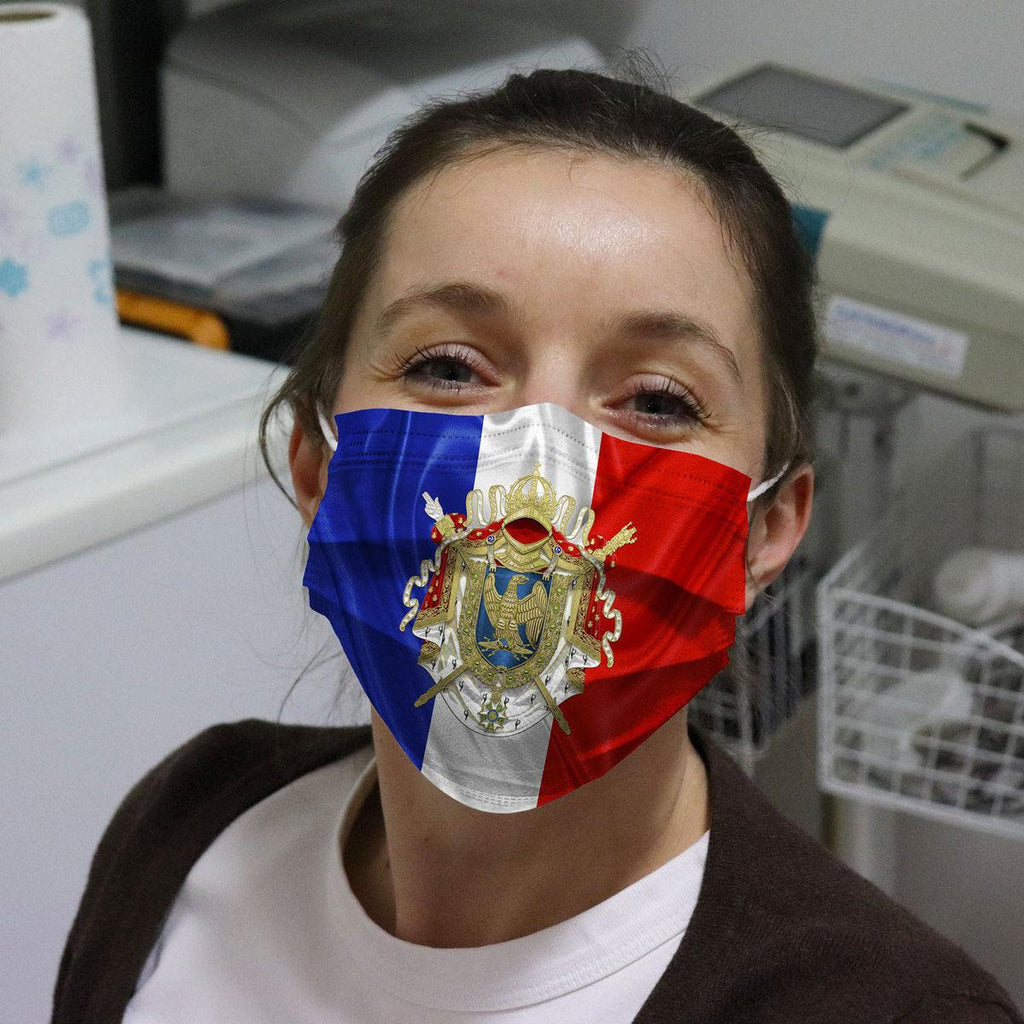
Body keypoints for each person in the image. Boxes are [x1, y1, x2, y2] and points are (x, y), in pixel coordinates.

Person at [53, 67, 1022, 1024]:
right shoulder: (192, 826)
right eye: (449, 367)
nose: (542, 468)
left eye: (657, 400)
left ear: (763, 530)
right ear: (316, 466)